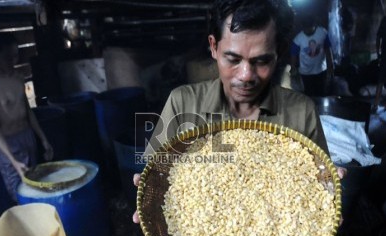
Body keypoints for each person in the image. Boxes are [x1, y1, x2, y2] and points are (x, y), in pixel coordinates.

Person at [132, 0, 345, 224]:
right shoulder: (182, 103)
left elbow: (319, 183)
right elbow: (157, 175)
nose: (245, 75)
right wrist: (151, 191)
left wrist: (326, 191)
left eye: (261, 61)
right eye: (233, 59)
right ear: (214, 47)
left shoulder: (301, 112)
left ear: (279, 53)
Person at [0, 33, 53, 202]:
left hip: (27, 137)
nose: (13, 61)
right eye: (7, 58)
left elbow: (28, 112)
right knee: (19, 192)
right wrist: (12, 160)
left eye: (15, 56)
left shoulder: (19, 78)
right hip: (8, 144)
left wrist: (43, 139)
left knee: (35, 185)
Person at [290, 16, 334, 97]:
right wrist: (293, 69)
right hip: (305, 73)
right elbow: (293, 55)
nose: (307, 31)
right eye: (305, 29)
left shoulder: (323, 33)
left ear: (315, 25)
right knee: (309, 96)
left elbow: (328, 50)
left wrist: (330, 67)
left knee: (321, 94)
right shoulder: (298, 39)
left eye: (309, 28)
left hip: (321, 71)